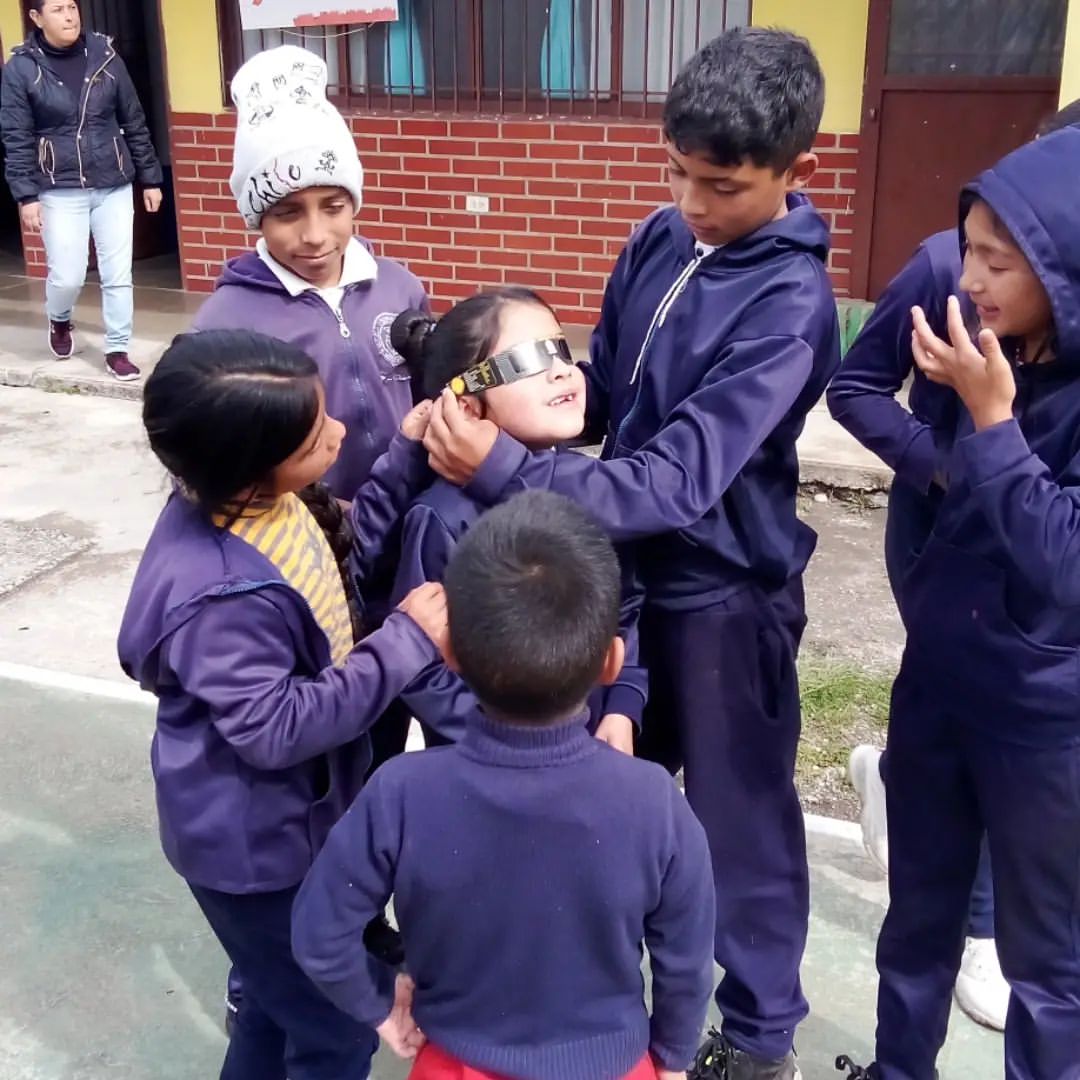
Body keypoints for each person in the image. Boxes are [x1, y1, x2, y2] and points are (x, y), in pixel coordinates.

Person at [419, 28, 839, 1079]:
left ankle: (756, 1036)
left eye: (725, 187)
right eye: (680, 173)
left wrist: (507, 472)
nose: (696, 203)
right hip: (622, 573)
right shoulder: (662, 236)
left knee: (735, 824)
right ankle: (589, 1004)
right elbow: (604, 380)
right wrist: (507, 398)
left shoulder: (791, 306)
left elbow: (675, 483)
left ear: (799, 172)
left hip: (721, 593)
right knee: (597, 802)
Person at [292, 490, 716, 1080]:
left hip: (454, 1063)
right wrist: (671, 1059)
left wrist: (381, 1003)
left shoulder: (401, 792)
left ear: (451, 654)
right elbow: (686, 963)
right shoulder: (655, 804)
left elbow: (319, 932)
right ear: (612, 662)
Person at [117, 329, 448, 1080]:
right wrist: (403, 643)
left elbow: (344, 543)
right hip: (256, 853)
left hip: (294, 824)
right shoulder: (219, 594)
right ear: (249, 466)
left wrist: (404, 452)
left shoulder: (271, 505)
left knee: (274, 1005)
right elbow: (276, 729)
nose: (337, 433)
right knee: (334, 1032)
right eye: (314, 436)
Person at [827, 97, 1080, 1035]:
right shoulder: (955, 289)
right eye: (967, 246)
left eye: (997, 261)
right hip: (940, 663)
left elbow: (1066, 565)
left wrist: (989, 420)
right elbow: (853, 388)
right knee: (918, 916)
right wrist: (942, 461)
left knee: (1048, 959)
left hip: (1045, 701)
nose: (966, 276)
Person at [389, 287, 647, 751]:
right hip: (479, 774)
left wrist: (623, 708)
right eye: (527, 361)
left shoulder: (589, 486)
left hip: (589, 750)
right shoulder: (441, 518)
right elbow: (421, 664)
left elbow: (623, 607)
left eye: (561, 349)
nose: (562, 371)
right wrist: (512, 743)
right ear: (464, 403)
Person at [192, 44, 426, 506]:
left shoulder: (400, 287)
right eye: (288, 214)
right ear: (257, 218)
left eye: (334, 208)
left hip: (408, 507)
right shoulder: (225, 323)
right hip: (309, 529)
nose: (315, 235)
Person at [0, 0, 163, 381]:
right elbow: (16, 136)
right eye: (57, 9)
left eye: (72, 6)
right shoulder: (22, 68)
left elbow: (134, 119)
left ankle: (118, 348)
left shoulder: (105, 56)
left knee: (117, 273)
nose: (70, 15)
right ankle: (60, 319)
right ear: (36, 18)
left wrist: (151, 177)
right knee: (68, 275)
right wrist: (25, 195)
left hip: (113, 182)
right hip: (58, 187)